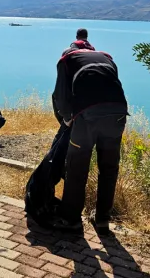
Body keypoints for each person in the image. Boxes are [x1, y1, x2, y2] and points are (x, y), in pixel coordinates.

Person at [52, 44, 128, 235]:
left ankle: (71, 220)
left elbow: (60, 96)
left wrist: (66, 119)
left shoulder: (66, 60)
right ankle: (102, 220)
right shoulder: (107, 58)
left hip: (87, 116)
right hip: (117, 113)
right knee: (109, 168)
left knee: (77, 166)